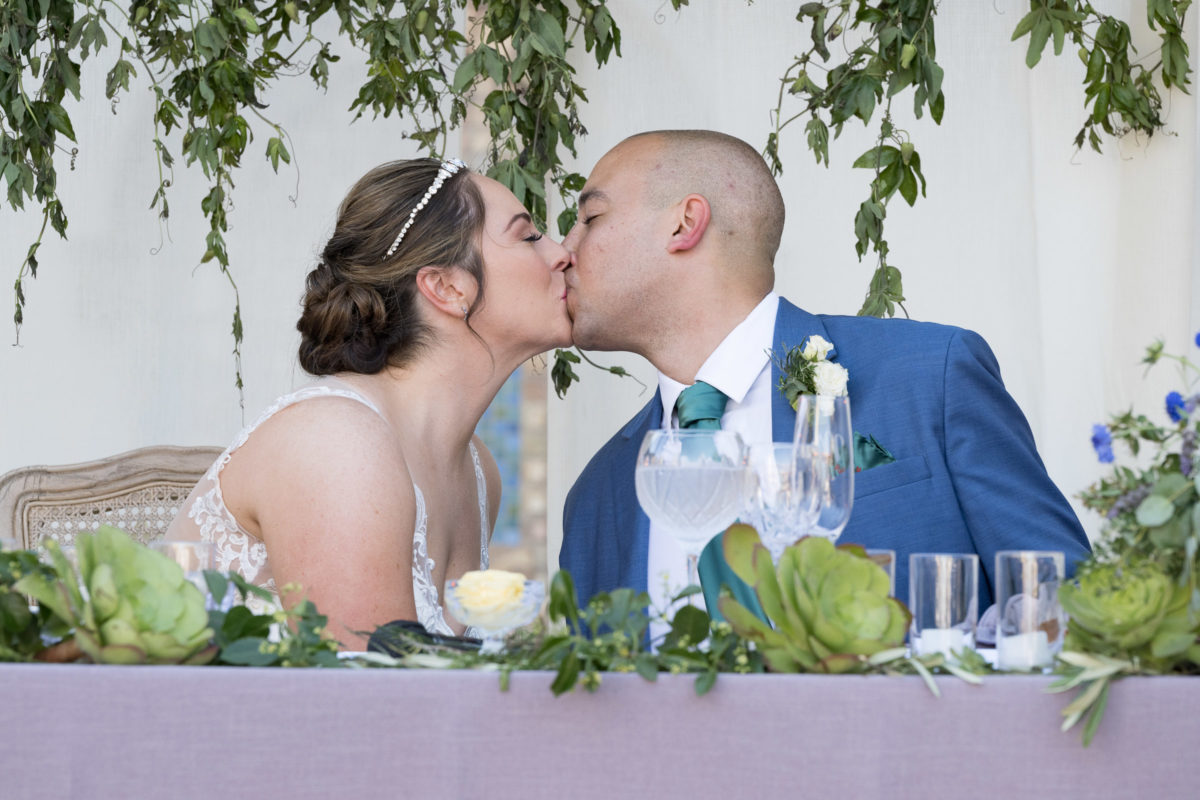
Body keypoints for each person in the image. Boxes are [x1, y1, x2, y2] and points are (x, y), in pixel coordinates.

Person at [558, 130, 1091, 631]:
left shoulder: (931, 378)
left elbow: (1064, 605)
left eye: (589, 217)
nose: (564, 250)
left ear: (684, 223)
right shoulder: (596, 496)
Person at [166, 157, 571, 647]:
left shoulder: (480, 470)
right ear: (446, 287)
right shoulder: (335, 441)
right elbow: (368, 701)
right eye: (528, 237)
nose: (562, 254)